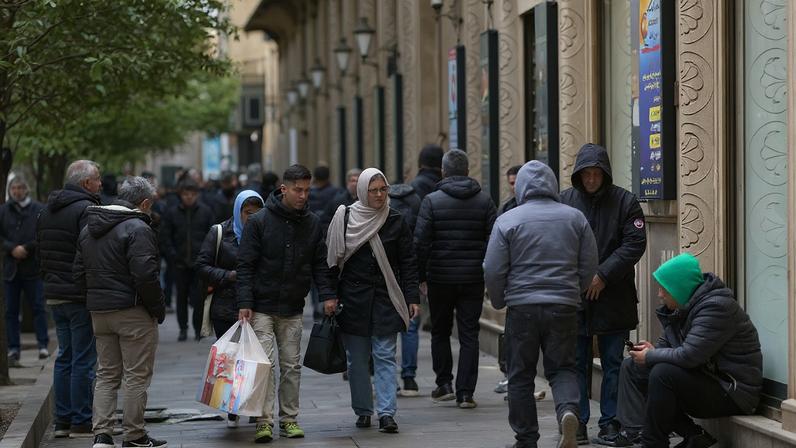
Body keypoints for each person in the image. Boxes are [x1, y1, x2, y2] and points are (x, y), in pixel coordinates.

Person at [483, 160, 598, 448]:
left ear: (520, 186)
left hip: (522, 307)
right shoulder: (575, 218)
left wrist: (498, 299)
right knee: (563, 369)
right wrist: (576, 290)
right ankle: (569, 412)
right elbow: (589, 264)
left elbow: (493, 269)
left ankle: (526, 439)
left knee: (520, 374)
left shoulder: (508, 220)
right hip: (564, 306)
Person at [614, 253, 762, 448]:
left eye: (663, 289)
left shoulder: (716, 307)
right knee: (633, 366)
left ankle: (652, 443)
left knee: (662, 374)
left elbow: (689, 356)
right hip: (706, 378)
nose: (659, 295)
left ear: (679, 288)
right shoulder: (684, 307)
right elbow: (669, 349)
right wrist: (652, 351)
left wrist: (651, 356)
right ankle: (689, 435)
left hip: (733, 393)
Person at [236, 165, 336, 443]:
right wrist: (245, 301)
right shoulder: (260, 221)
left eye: (307, 190)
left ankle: (289, 419)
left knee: (291, 366)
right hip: (261, 306)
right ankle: (264, 421)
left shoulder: (312, 223)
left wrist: (327, 295)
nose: (303, 195)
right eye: (297, 190)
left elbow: (319, 264)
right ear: (284, 189)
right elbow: (245, 265)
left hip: (292, 306)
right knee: (265, 365)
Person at [560, 143, 647, 445]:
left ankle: (610, 421)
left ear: (605, 175)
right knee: (577, 361)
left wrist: (603, 274)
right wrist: (583, 277)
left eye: (597, 174)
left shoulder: (625, 202)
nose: (592, 180)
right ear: (579, 175)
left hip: (615, 297)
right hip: (576, 298)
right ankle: (579, 421)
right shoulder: (566, 201)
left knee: (612, 363)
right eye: (587, 175)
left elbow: (634, 244)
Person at [74, 177, 167, 448]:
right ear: (145, 203)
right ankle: (134, 435)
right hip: (132, 311)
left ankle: (102, 435)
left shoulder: (88, 229)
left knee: (106, 374)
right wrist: (157, 309)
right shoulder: (138, 228)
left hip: (99, 311)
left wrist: (94, 299)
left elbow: (78, 273)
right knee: (136, 375)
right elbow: (146, 275)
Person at [326, 168, 420, 433]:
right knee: (356, 360)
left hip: (386, 297)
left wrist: (412, 297)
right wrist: (329, 296)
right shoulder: (345, 219)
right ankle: (364, 410)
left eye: (383, 189)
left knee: (385, 355)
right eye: (374, 190)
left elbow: (408, 262)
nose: (379, 195)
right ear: (362, 191)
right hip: (352, 300)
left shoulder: (395, 220)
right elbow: (331, 262)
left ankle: (387, 413)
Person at [414, 149, 497, 408]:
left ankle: (444, 383)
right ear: (468, 171)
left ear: (443, 171)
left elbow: (420, 242)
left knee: (440, 330)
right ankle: (465, 393)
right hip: (472, 278)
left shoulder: (431, 201)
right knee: (469, 333)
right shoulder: (484, 201)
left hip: (439, 277)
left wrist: (421, 276)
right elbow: (494, 240)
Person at [37, 160, 102, 438]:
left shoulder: (45, 211)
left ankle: (62, 420)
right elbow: (90, 252)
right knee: (84, 359)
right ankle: (81, 420)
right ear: (86, 183)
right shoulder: (86, 209)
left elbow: (40, 253)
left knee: (65, 356)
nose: (100, 184)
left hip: (54, 293)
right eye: (97, 179)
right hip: (78, 294)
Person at [196, 189, 264, 429]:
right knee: (232, 360)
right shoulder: (219, 233)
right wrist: (228, 276)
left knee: (257, 360)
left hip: (258, 306)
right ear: (238, 211)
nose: (251, 218)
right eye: (247, 213)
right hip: (226, 307)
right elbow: (202, 265)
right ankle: (233, 408)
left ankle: (256, 408)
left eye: (257, 213)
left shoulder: (265, 232)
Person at [159, 177, 215, 341]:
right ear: (180, 195)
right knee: (181, 298)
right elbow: (165, 237)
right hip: (179, 262)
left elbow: (211, 236)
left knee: (199, 298)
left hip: (200, 263)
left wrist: (206, 257)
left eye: (192, 194)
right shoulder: (172, 212)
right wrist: (173, 255)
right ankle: (183, 328)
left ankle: (198, 329)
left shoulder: (205, 212)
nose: (189, 197)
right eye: (185, 194)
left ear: (197, 194)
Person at [1, 176, 48, 365]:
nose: (17, 191)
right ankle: (13, 348)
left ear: (26, 189)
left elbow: (43, 235)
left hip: (32, 267)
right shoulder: (3, 210)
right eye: (14, 188)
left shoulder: (38, 210)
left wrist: (26, 248)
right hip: (11, 268)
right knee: (11, 311)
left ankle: (43, 345)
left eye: (21, 187)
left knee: (38, 307)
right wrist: (11, 248)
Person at [387, 182, 421, 396]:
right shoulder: (417, 202)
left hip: (386, 277)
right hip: (410, 274)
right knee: (410, 327)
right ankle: (409, 378)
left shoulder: (385, 208)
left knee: (386, 331)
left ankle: (390, 380)